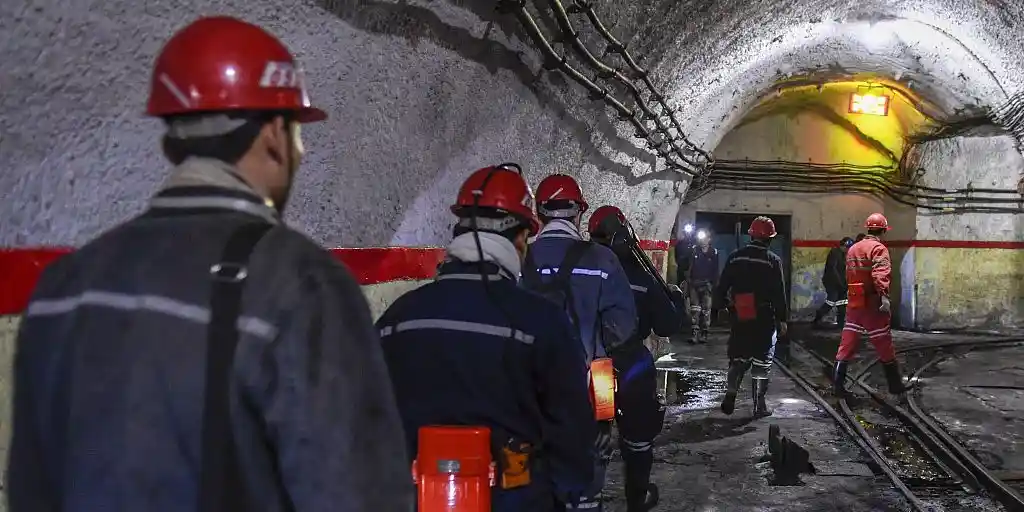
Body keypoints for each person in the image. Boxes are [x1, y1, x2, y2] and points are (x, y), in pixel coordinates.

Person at [6, 16, 412, 512]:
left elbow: (30, 489)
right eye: (297, 134)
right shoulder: (303, 285)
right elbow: (360, 497)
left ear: (168, 144)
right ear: (273, 135)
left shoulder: (63, 286)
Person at [378, 164, 595, 511]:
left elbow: (367, 419)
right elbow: (571, 427)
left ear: (459, 230)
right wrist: (566, 491)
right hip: (516, 499)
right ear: (521, 239)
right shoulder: (540, 321)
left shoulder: (398, 318)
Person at [520, 174, 637, 512]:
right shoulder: (603, 260)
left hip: (530, 387)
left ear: (539, 214)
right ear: (579, 214)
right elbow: (623, 329)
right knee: (591, 466)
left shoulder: (520, 259)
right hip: (593, 380)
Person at [588, 206, 685, 512]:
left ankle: (590, 500)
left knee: (598, 431)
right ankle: (637, 497)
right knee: (638, 435)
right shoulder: (640, 276)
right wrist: (677, 299)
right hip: (631, 364)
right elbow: (667, 326)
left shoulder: (583, 271)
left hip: (598, 366)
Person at [714, 216, 789, 418]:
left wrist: (722, 306)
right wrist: (782, 319)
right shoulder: (773, 260)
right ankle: (759, 406)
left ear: (751, 235)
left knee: (738, 356)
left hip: (741, 313)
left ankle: (731, 392)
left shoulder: (735, 257)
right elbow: (779, 293)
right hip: (764, 315)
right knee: (761, 361)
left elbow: (722, 286)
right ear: (770, 238)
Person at [834, 213, 910, 397]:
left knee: (847, 343)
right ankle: (895, 386)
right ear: (883, 230)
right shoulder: (879, 249)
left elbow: (849, 275)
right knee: (884, 344)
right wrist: (884, 297)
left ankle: (837, 386)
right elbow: (879, 275)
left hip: (854, 302)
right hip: (872, 304)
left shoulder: (853, 249)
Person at [813, 237, 854, 329]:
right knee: (831, 301)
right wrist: (841, 283)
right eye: (847, 247)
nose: (848, 250)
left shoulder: (844, 254)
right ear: (843, 246)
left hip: (841, 283)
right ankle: (817, 318)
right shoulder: (835, 253)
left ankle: (840, 323)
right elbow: (833, 269)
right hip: (832, 282)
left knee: (842, 302)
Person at [687, 229, 720, 344]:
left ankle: (704, 333)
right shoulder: (694, 251)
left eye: (705, 238)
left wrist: (713, 284)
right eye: (701, 238)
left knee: (706, 310)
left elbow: (715, 270)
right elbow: (689, 267)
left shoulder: (713, 252)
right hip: (694, 284)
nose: (702, 240)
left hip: (707, 285)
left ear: (709, 239)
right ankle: (694, 333)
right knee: (694, 309)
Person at [673, 224, 696, 339]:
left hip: (693, 277)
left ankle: (693, 323)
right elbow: (677, 258)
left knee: (693, 301)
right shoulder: (680, 244)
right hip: (681, 274)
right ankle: (681, 320)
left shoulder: (695, 245)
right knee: (681, 296)